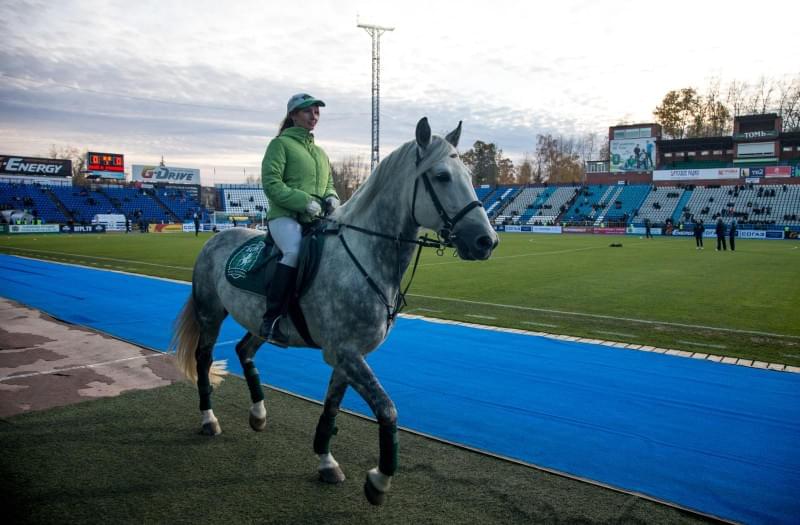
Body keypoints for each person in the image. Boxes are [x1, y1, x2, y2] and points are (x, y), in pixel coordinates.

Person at [259, 92, 340, 345]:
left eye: (316, 112)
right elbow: (271, 184)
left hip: (315, 218)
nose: (313, 116)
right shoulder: (279, 145)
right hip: (284, 216)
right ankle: (271, 319)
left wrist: (332, 198)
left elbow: (329, 184)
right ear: (293, 115)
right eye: (308, 111)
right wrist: (303, 202)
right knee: (293, 252)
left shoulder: (321, 153)